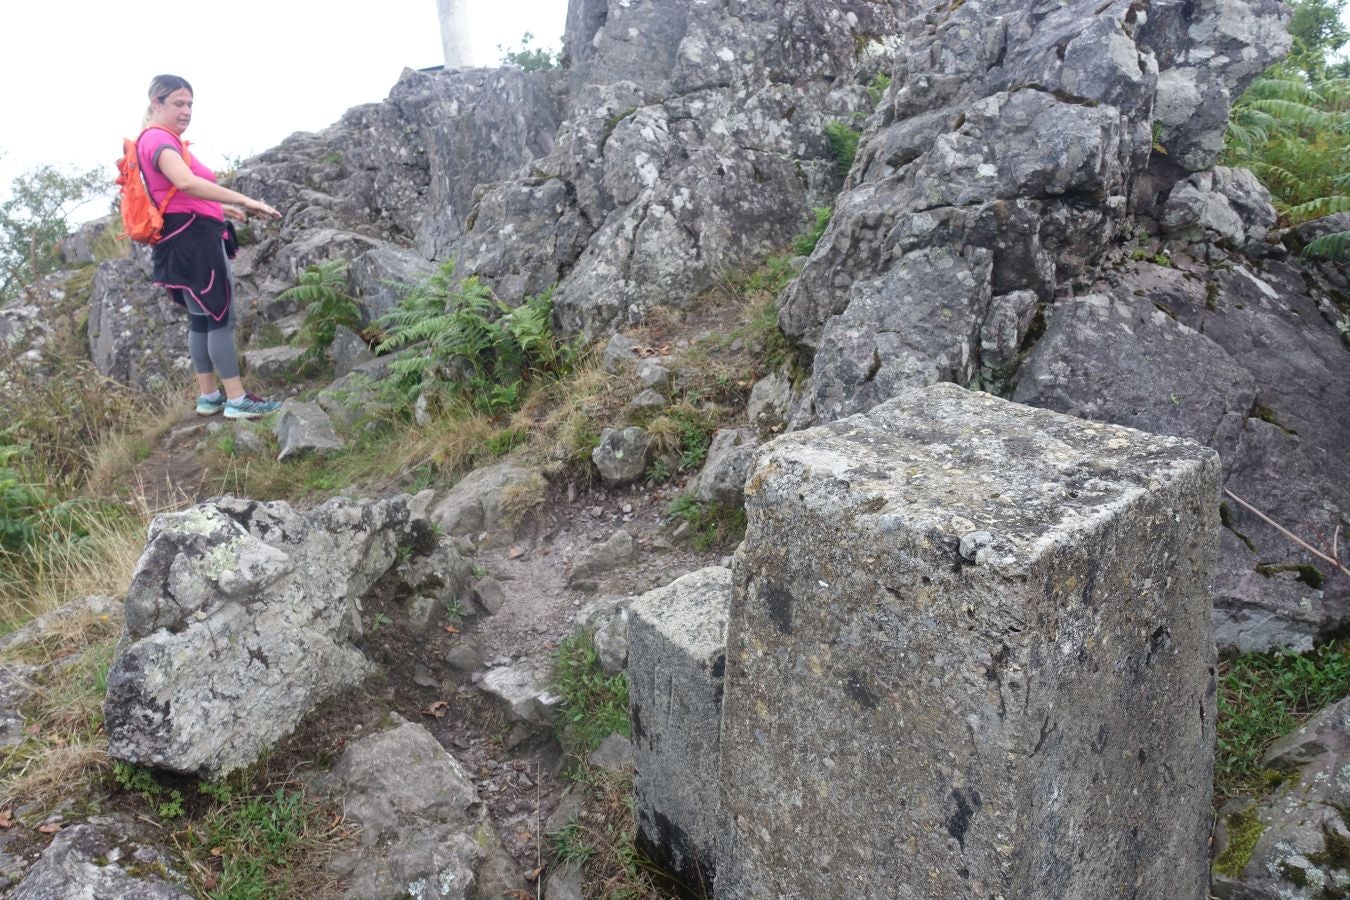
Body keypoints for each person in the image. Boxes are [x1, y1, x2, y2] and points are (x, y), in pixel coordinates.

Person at [138, 74, 283, 419]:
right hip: (194, 240)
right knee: (221, 316)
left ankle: (209, 397)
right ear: (156, 103)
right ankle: (237, 400)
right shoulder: (159, 139)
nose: (186, 111)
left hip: (180, 236)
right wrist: (248, 200)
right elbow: (186, 182)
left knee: (201, 319)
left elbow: (174, 195)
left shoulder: (156, 139)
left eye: (190, 104)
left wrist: (222, 209)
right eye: (178, 103)